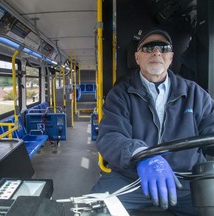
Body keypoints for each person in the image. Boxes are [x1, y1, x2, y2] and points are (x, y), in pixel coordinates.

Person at [90, 29, 214, 216]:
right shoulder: (120, 94)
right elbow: (109, 136)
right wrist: (143, 156)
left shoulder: (195, 94)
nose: (156, 52)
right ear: (137, 57)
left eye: (163, 48)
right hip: (133, 179)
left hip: (187, 180)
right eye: (148, 48)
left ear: (170, 57)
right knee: (94, 208)